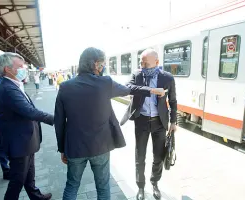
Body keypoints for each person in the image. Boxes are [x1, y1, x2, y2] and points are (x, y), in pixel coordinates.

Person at [54, 47, 164, 200]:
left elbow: (59, 122)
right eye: (102, 64)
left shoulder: (65, 87)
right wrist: (151, 90)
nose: (103, 67)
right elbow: (128, 90)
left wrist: (62, 149)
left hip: (75, 148)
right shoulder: (105, 83)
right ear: (96, 64)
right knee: (103, 187)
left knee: (72, 186)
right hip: (100, 146)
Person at [120, 48, 177, 200]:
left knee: (158, 156)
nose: (142, 66)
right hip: (141, 121)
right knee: (140, 157)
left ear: (157, 63)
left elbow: (172, 101)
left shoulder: (167, 78)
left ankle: (155, 183)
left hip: (160, 122)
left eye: (145, 63)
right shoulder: (137, 74)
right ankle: (140, 187)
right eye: (141, 62)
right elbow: (128, 88)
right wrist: (152, 90)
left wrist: (173, 121)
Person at [0, 52, 54, 200]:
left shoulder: (14, 85)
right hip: (19, 142)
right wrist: (56, 119)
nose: (24, 69)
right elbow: (29, 111)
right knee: (18, 179)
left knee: (29, 172)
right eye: (20, 66)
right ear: (8, 69)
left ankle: (35, 196)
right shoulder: (8, 89)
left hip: (26, 140)